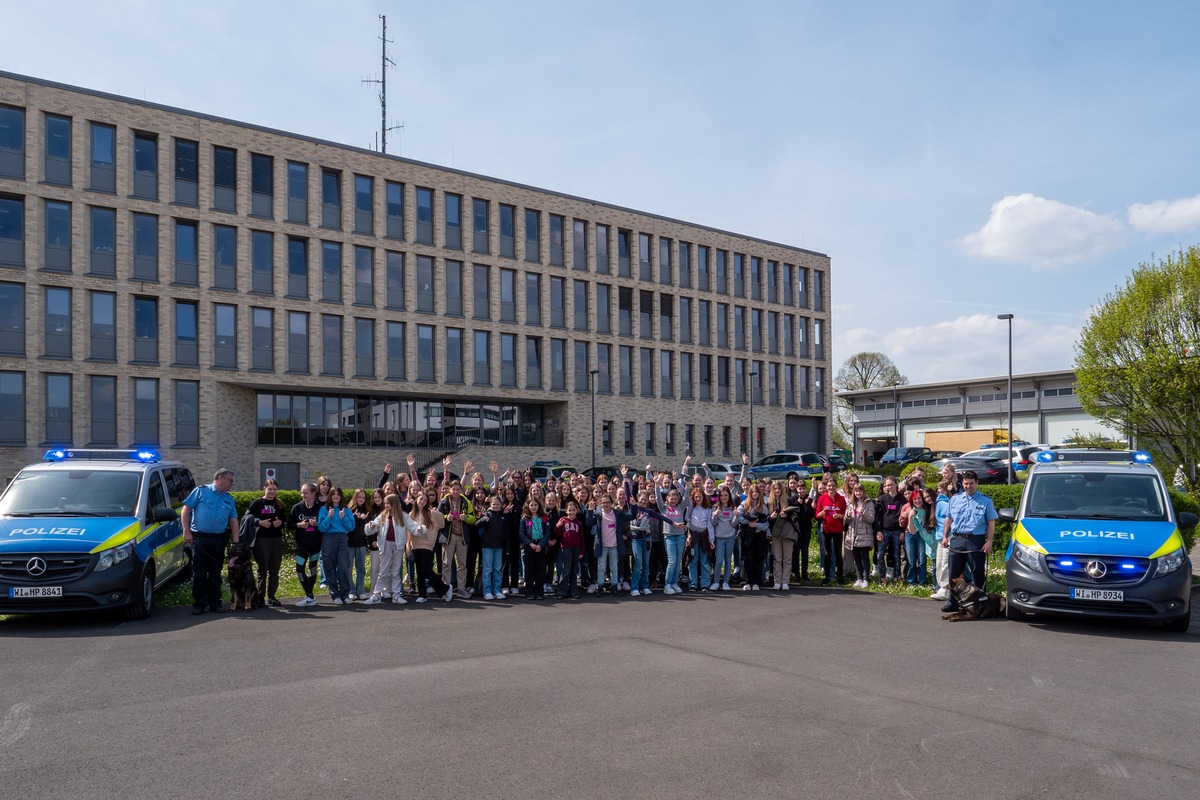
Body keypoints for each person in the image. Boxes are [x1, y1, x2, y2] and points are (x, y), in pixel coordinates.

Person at [181, 468, 239, 615]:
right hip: (200, 539)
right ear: (220, 478)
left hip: (218, 540)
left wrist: (236, 542)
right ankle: (200, 603)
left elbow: (233, 520)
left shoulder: (229, 499)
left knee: (215, 573)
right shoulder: (201, 491)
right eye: (230, 480)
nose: (232, 484)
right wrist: (186, 531)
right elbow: (186, 510)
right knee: (199, 573)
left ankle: (215, 602)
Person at [940, 470, 999, 613]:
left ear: (977, 483)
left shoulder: (985, 501)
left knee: (977, 573)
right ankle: (953, 601)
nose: (968, 486)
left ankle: (979, 602)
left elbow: (991, 522)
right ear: (962, 483)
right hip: (957, 539)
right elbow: (949, 518)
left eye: (971, 483)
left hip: (975, 540)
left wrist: (989, 541)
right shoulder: (955, 499)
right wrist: (945, 536)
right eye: (966, 484)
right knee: (954, 574)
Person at [364, 493, 420, 605]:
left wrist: (419, 529)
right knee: (383, 571)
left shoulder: (403, 516)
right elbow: (375, 524)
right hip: (386, 545)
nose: (386, 505)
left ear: (394, 504)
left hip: (398, 546)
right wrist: (371, 526)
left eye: (388, 503)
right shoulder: (383, 515)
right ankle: (376, 596)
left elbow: (412, 526)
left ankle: (396, 595)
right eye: (385, 503)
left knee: (395, 572)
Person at [245, 478, 286, 607]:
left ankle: (272, 596)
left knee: (274, 569)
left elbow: (285, 521)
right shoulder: (258, 503)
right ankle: (260, 597)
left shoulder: (279, 504)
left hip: (276, 539)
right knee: (263, 569)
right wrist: (259, 522)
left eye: (274, 489)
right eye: (270, 489)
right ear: (264, 488)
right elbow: (247, 517)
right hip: (262, 540)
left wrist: (280, 523)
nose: (272, 492)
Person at [409, 489, 453, 603]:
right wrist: (408, 546)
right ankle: (422, 594)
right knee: (419, 570)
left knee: (425, 568)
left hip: (427, 544)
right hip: (415, 545)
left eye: (425, 499)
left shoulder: (430, 513)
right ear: (416, 500)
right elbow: (408, 532)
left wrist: (435, 512)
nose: (423, 501)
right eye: (421, 499)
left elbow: (442, 524)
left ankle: (445, 588)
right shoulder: (411, 514)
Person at [438, 481, 476, 598]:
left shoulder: (466, 502)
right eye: (453, 489)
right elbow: (437, 519)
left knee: (462, 564)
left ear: (461, 490)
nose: (455, 491)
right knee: (446, 564)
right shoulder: (444, 502)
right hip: (449, 536)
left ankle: (461, 588)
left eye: (457, 489)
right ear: (449, 489)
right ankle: (446, 588)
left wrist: (466, 518)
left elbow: (473, 519)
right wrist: (445, 518)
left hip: (462, 536)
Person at [317, 486, 355, 604]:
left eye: (338, 494)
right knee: (329, 566)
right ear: (330, 496)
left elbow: (351, 527)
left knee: (343, 566)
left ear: (341, 496)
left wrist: (343, 518)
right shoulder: (324, 509)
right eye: (333, 494)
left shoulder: (346, 510)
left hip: (342, 538)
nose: (336, 496)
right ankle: (335, 594)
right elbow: (321, 527)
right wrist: (329, 517)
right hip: (329, 538)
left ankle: (345, 593)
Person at [767, 481, 800, 591]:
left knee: (787, 558)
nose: (777, 491)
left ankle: (785, 581)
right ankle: (777, 581)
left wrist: (787, 516)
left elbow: (795, 517)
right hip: (775, 534)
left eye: (779, 488)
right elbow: (766, 520)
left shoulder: (789, 500)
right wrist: (771, 517)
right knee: (777, 558)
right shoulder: (770, 503)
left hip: (787, 533)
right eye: (775, 489)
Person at [737, 484, 769, 590]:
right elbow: (738, 517)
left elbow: (766, 524)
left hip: (759, 535)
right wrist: (749, 521)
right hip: (747, 534)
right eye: (752, 492)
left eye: (756, 492)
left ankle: (756, 581)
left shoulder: (763, 506)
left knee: (758, 557)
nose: (754, 494)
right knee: (747, 558)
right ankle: (746, 581)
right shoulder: (744, 504)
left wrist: (757, 525)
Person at [814, 481, 847, 585]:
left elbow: (845, 514)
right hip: (826, 530)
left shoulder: (841, 499)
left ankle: (840, 577)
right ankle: (827, 576)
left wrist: (840, 516)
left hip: (837, 530)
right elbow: (817, 515)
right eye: (829, 486)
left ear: (836, 487)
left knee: (838, 554)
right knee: (827, 553)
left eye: (833, 486)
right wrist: (821, 514)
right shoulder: (822, 498)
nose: (831, 488)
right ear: (826, 487)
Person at [844, 484, 876, 588]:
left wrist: (863, 511)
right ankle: (859, 578)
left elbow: (871, 519)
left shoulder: (869, 503)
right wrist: (848, 516)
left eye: (860, 491)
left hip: (865, 535)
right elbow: (846, 521)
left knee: (865, 558)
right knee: (856, 558)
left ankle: (866, 579)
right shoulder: (851, 503)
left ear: (863, 491)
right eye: (856, 491)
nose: (858, 493)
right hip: (853, 535)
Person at [874, 476, 905, 584]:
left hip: (897, 531)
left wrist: (902, 531)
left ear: (896, 484)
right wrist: (878, 530)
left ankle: (896, 578)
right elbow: (878, 516)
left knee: (896, 555)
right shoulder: (882, 499)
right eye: (887, 485)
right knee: (880, 555)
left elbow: (904, 515)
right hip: (884, 530)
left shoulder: (902, 499)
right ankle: (883, 578)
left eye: (891, 484)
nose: (889, 487)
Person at [900, 487, 934, 585]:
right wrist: (910, 517)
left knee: (921, 559)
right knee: (911, 559)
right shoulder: (911, 510)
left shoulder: (927, 509)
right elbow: (912, 530)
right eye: (915, 499)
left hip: (923, 536)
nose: (917, 501)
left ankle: (923, 581)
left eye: (919, 498)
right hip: (910, 535)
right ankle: (912, 582)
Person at [519, 497, 550, 600]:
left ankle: (539, 592)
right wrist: (529, 543)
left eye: (535, 505)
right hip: (529, 546)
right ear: (527, 506)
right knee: (529, 570)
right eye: (531, 505)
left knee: (540, 570)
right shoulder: (525, 518)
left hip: (540, 546)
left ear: (539, 506)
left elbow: (547, 533)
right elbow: (522, 533)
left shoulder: (544, 517)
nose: (533, 507)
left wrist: (541, 545)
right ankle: (529, 592)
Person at [685, 487, 715, 592]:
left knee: (704, 560)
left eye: (700, 496)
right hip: (693, 535)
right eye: (696, 497)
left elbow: (709, 525)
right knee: (693, 560)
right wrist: (689, 535)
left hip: (704, 537)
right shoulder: (690, 507)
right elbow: (687, 519)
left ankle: (705, 584)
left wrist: (711, 540)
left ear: (703, 497)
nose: (698, 498)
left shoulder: (707, 509)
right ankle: (692, 584)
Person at [554, 499, 586, 598]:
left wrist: (582, 551)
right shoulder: (563, 521)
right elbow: (556, 534)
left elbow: (581, 538)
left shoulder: (578, 523)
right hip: (566, 548)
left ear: (576, 511)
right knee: (566, 570)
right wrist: (557, 527)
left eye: (573, 510)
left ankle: (573, 590)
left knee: (574, 570)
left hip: (576, 548)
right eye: (569, 510)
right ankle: (561, 591)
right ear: (566, 511)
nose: (571, 512)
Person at [710, 486, 740, 591]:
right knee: (718, 561)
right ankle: (716, 581)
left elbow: (733, 525)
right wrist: (715, 515)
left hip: (730, 537)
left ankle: (726, 582)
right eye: (722, 495)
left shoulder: (733, 507)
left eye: (726, 495)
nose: (723, 497)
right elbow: (713, 523)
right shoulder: (715, 507)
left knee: (728, 560)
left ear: (729, 496)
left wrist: (736, 516)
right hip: (719, 538)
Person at [930, 479, 954, 601]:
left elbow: (948, 519)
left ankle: (945, 588)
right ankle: (942, 586)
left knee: (944, 562)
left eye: (939, 488)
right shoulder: (940, 502)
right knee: (940, 562)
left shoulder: (944, 503)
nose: (937, 490)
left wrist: (945, 534)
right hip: (941, 535)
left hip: (946, 536)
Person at [346, 488, 372, 601]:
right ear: (355, 497)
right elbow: (346, 525)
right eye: (359, 497)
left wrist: (364, 520)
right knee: (348, 568)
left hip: (361, 543)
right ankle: (351, 591)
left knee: (361, 568)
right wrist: (353, 516)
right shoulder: (348, 510)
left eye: (363, 497)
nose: (361, 499)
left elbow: (370, 527)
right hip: (350, 543)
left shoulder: (367, 510)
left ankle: (360, 591)